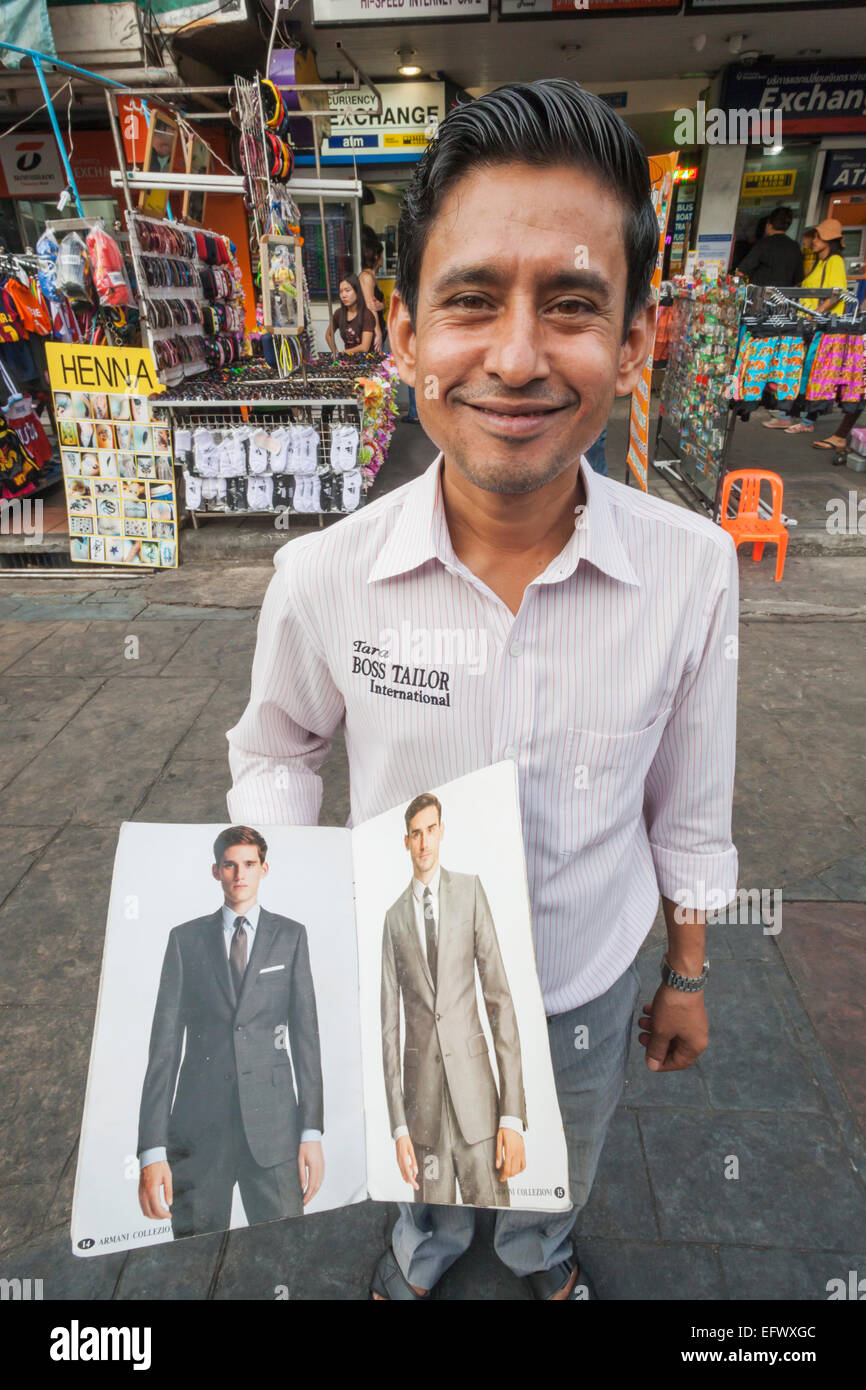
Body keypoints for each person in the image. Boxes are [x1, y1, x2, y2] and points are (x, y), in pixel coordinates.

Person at [226, 79, 738, 1302]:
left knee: (554, 1160)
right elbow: (281, 744)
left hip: (582, 974)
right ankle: (421, 1252)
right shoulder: (320, 576)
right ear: (404, 337)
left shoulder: (690, 569)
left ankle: (538, 1257)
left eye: (570, 306)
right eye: (469, 302)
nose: (514, 358)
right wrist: (284, 911)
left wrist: (683, 973)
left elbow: (689, 802)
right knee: (420, 1160)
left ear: (629, 341)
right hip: (403, 962)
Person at [137, 825, 325, 1239]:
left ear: (264, 869)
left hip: (275, 1132)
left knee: (285, 1251)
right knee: (194, 1259)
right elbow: (163, 1050)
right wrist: (152, 1150)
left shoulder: (291, 937)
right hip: (199, 1133)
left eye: (249, 865)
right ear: (215, 871)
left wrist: (311, 1131)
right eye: (229, 865)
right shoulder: (185, 941)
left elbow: (306, 1039)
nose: (239, 874)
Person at [378, 794, 526, 1231]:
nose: (424, 842)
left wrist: (512, 1115)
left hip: (477, 1098)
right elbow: (389, 1028)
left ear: (442, 831)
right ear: (406, 841)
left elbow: (498, 995)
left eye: (431, 830)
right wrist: (399, 1128)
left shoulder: (470, 892)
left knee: (497, 1215)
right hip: (423, 1111)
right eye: (416, 834)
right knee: (434, 1226)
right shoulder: (393, 919)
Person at [764, 217, 849, 435]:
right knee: (796, 369)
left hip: (821, 326)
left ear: (829, 240)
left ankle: (807, 420)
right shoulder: (820, 261)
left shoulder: (834, 262)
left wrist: (816, 315)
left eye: (818, 237)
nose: (813, 241)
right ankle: (786, 415)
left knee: (813, 372)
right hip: (808, 323)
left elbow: (837, 293)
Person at [735, 205, 803, 288]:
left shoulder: (764, 244)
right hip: (783, 298)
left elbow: (741, 272)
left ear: (769, 224)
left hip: (761, 297)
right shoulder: (795, 247)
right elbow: (799, 281)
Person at [325, 273, 376, 356]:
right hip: (347, 361)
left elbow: (364, 347)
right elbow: (328, 335)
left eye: (347, 290)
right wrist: (336, 353)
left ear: (357, 291)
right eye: (341, 291)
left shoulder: (366, 315)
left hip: (366, 362)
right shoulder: (339, 313)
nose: (343, 295)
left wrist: (345, 352)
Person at [360, 225, 386, 351]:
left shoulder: (372, 277)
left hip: (378, 326)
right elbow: (370, 306)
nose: (383, 258)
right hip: (372, 330)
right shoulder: (366, 277)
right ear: (376, 256)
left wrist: (382, 306)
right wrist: (378, 333)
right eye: (382, 255)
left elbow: (376, 305)